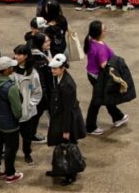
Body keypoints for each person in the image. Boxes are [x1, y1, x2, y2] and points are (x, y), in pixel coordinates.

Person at [45, 54, 86, 185]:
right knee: (60, 144)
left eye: (55, 69)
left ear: (62, 68)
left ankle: (71, 174)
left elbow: (68, 109)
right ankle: (59, 168)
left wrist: (66, 130)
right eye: (52, 68)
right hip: (60, 116)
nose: (52, 71)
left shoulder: (67, 84)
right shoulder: (59, 78)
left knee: (68, 146)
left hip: (67, 119)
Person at [83, 20, 128, 133]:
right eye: (104, 30)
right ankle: (90, 127)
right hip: (99, 77)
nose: (106, 31)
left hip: (92, 74)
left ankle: (118, 117)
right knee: (97, 101)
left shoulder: (91, 40)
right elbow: (104, 65)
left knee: (105, 96)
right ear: (98, 33)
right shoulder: (100, 48)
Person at [0, 56, 25, 183]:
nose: (13, 68)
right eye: (11, 67)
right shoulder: (10, 87)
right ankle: (10, 174)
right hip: (10, 124)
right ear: (7, 70)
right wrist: (17, 118)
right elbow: (17, 109)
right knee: (11, 148)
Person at [10, 45, 44, 165]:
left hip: (27, 112)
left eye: (19, 54)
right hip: (12, 110)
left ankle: (27, 153)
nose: (16, 56)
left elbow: (37, 92)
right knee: (11, 135)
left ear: (26, 56)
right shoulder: (11, 69)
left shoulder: (32, 73)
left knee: (27, 135)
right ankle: (10, 153)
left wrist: (28, 104)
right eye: (15, 53)